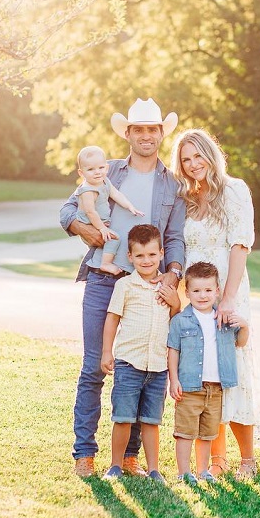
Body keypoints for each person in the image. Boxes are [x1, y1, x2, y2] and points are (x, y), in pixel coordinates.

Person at [61, 98, 187, 479]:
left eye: (153, 129)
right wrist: (88, 232)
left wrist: (173, 275)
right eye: (139, 130)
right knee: (93, 367)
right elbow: (67, 211)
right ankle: (85, 453)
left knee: (142, 368)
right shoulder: (106, 170)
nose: (147, 136)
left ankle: (130, 456)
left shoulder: (173, 184)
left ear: (161, 134)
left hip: (148, 286)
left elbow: (176, 238)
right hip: (104, 280)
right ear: (128, 134)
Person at [170, 128, 260, 480]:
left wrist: (228, 298)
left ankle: (247, 459)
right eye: (186, 159)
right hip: (196, 294)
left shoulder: (235, 190)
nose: (194, 165)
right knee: (205, 369)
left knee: (233, 369)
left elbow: (240, 245)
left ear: (212, 154)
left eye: (198, 156)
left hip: (228, 290)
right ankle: (216, 459)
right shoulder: (188, 198)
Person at [100, 225, 181, 481]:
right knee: (123, 417)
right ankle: (115, 465)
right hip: (128, 362)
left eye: (151, 255)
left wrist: (176, 303)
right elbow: (112, 318)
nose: (146, 261)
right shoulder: (125, 285)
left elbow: (174, 321)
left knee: (151, 420)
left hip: (158, 365)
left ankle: (154, 469)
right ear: (130, 256)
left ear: (161, 253)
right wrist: (106, 352)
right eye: (140, 256)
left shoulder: (168, 288)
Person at [167, 261, 248, 484]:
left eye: (208, 290)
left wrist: (245, 326)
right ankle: (184, 472)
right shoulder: (180, 321)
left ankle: (203, 470)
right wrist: (173, 380)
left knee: (207, 434)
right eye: (196, 290)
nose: (202, 295)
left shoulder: (223, 319)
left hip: (216, 387)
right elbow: (173, 351)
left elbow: (240, 343)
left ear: (217, 291)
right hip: (190, 386)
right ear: (187, 292)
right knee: (185, 432)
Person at [73, 145, 144, 275]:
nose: (97, 172)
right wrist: (102, 228)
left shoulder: (104, 181)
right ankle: (105, 264)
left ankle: (105, 259)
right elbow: (90, 212)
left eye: (101, 168)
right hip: (90, 224)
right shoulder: (87, 190)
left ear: (106, 167)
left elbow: (116, 194)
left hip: (100, 223)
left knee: (108, 242)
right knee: (115, 238)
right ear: (81, 173)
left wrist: (130, 206)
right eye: (90, 169)